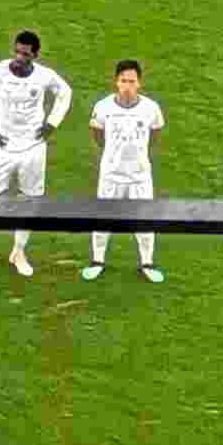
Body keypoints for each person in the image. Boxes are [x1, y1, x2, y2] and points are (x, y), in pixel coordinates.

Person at [0, 30, 71, 280]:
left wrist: (52, 123)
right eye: (17, 52)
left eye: (26, 54)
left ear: (36, 55)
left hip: (33, 148)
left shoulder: (45, 76)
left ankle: (18, 252)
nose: (20, 58)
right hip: (3, 148)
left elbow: (65, 93)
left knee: (29, 202)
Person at [83, 61, 166, 284]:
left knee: (145, 220)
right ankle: (97, 261)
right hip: (111, 174)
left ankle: (147, 263)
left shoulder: (151, 108)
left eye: (131, 81)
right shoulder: (103, 107)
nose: (127, 86)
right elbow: (97, 132)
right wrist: (112, 153)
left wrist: (139, 154)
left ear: (139, 83)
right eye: (123, 81)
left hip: (140, 176)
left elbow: (155, 132)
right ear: (116, 82)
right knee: (103, 219)